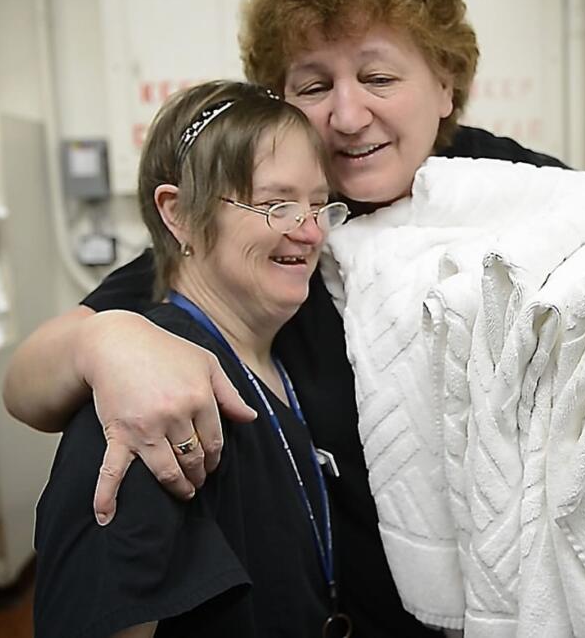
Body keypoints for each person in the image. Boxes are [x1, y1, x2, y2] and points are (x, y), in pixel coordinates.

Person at [8, 0, 585, 635]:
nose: (348, 115)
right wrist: (101, 339)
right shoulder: (255, 246)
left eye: (380, 75)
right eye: (313, 85)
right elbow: (29, 385)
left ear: (446, 86)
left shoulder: (526, 199)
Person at [32, 80, 353, 637]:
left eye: (320, 205)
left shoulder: (276, 363)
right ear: (178, 214)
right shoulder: (146, 398)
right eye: (277, 204)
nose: (309, 231)